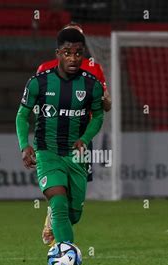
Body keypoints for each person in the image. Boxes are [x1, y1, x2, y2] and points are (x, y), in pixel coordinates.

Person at [16, 28, 105, 265]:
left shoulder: (91, 85)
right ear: (58, 54)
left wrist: (85, 139)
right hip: (47, 152)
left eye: (78, 53)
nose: (73, 58)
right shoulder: (39, 82)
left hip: (76, 157)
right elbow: (22, 115)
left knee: (73, 213)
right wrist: (25, 146)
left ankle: (52, 221)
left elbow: (99, 115)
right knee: (59, 202)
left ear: (83, 55)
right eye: (67, 53)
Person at [36, 23, 111, 248]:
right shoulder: (44, 69)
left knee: (74, 212)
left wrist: (107, 101)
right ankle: (66, 257)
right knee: (59, 200)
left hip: (79, 143)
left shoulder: (94, 68)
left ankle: (54, 216)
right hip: (52, 145)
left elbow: (104, 105)